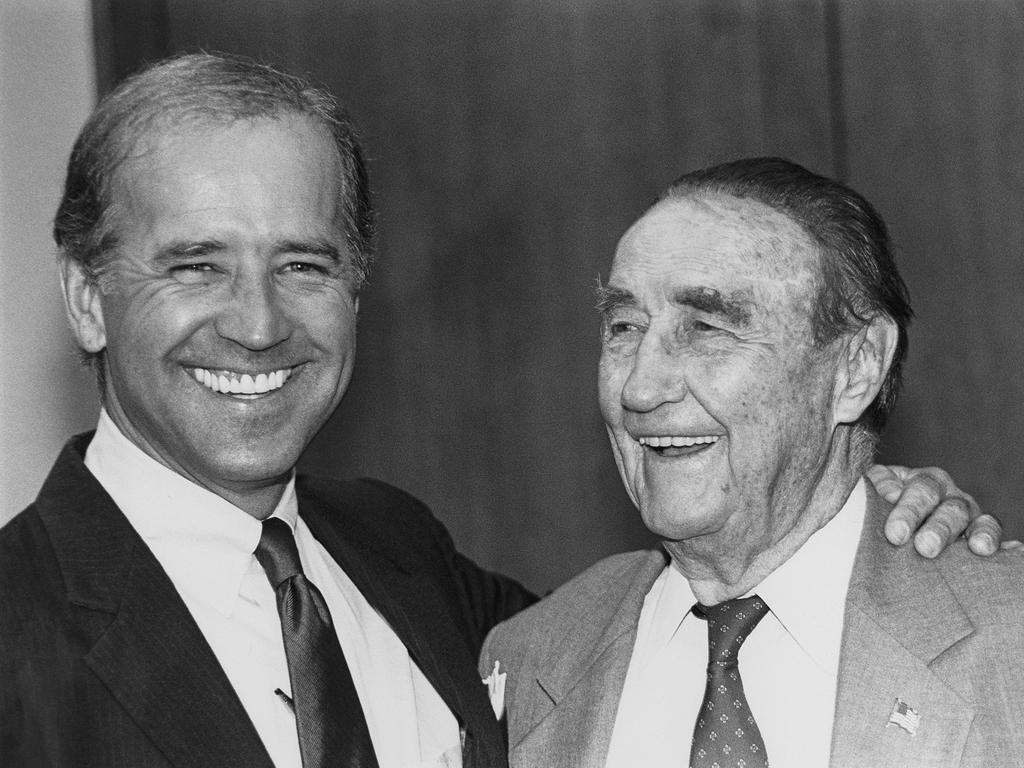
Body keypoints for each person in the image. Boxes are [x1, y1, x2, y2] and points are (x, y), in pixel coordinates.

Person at [0, 54, 1000, 768]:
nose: (258, 324)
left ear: (354, 288)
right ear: (88, 297)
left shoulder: (406, 561)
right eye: (196, 265)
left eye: (303, 264)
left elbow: (749, 563)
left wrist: (859, 510)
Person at [480, 157, 1024, 767]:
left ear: (857, 366)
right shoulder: (526, 662)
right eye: (625, 327)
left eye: (707, 327)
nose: (640, 387)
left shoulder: (1010, 640)